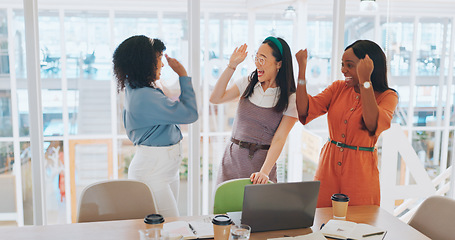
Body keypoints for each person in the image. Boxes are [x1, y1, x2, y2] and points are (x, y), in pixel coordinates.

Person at [295, 40, 398, 207]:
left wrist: (365, 80)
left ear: (368, 66)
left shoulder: (387, 96)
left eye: (349, 65)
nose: (343, 70)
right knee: (321, 219)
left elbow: (372, 123)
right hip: (328, 168)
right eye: (342, 65)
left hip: (360, 172)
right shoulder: (338, 88)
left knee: (360, 224)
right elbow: (304, 110)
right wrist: (301, 71)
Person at [113, 35, 198, 217]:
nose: (162, 64)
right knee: (172, 227)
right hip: (153, 173)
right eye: (159, 58)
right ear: (145, 62)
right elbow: (190, 114)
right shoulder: (145, 97)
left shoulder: (136, 89)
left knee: (165, 230)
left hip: (163, 169)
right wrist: (183, 75)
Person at [210, 36, 298, 185]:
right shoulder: (247, 83)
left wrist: (264, 172)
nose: (257, 63)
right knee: (224, 206)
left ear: (279, 64)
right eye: (256, 58)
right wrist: (231, 66)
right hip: (231, 161)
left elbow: (279, 139)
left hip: (261, 169)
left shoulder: (290, 99)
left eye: (262, 59)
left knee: (259, 208)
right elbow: (216, 98)